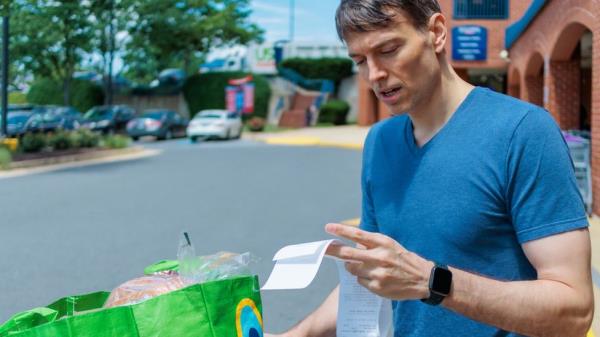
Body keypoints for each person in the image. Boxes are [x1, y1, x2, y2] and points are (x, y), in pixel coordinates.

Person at [266, 0, 594, 336]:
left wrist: (431, 282)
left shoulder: (523, 131)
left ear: (436, 33)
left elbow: (573, 311)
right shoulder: (381, 141)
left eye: (389, 49)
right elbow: (374, 275)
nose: (374, 75)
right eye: (360, 61)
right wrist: (297, 334)